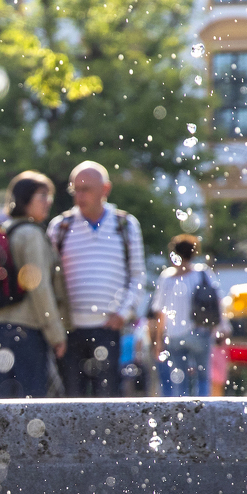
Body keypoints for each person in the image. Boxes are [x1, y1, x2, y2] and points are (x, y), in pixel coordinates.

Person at [47, 161, 146, 397]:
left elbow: (138, 276)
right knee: (72, 402)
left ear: (105, 189)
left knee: (108, 401)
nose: (80, 196)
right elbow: (49, 281)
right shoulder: (60, 227)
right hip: (70, 330)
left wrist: (123, 312)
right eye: (75, 190)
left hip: (107, 328)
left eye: (86, 189)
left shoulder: (125, 225)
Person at [0, 171, 66, 398]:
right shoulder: (31, 235)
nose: (48, 202)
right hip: (26, 332)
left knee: (5, 404)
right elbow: (39, 287)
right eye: (42, 196)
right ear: (24, 199)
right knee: (31, 406)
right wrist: (56, 334)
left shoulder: (1, 232)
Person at [148, 234, 226, 397]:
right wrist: (220, 327)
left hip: (174, 335)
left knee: (179, 380)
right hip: (199, 333)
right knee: (203, 377)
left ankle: (181, 416)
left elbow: (160, 312)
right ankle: (201, 413)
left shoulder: (166, 278)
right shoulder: (202, 274)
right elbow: (217, 302)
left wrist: (158, 341)